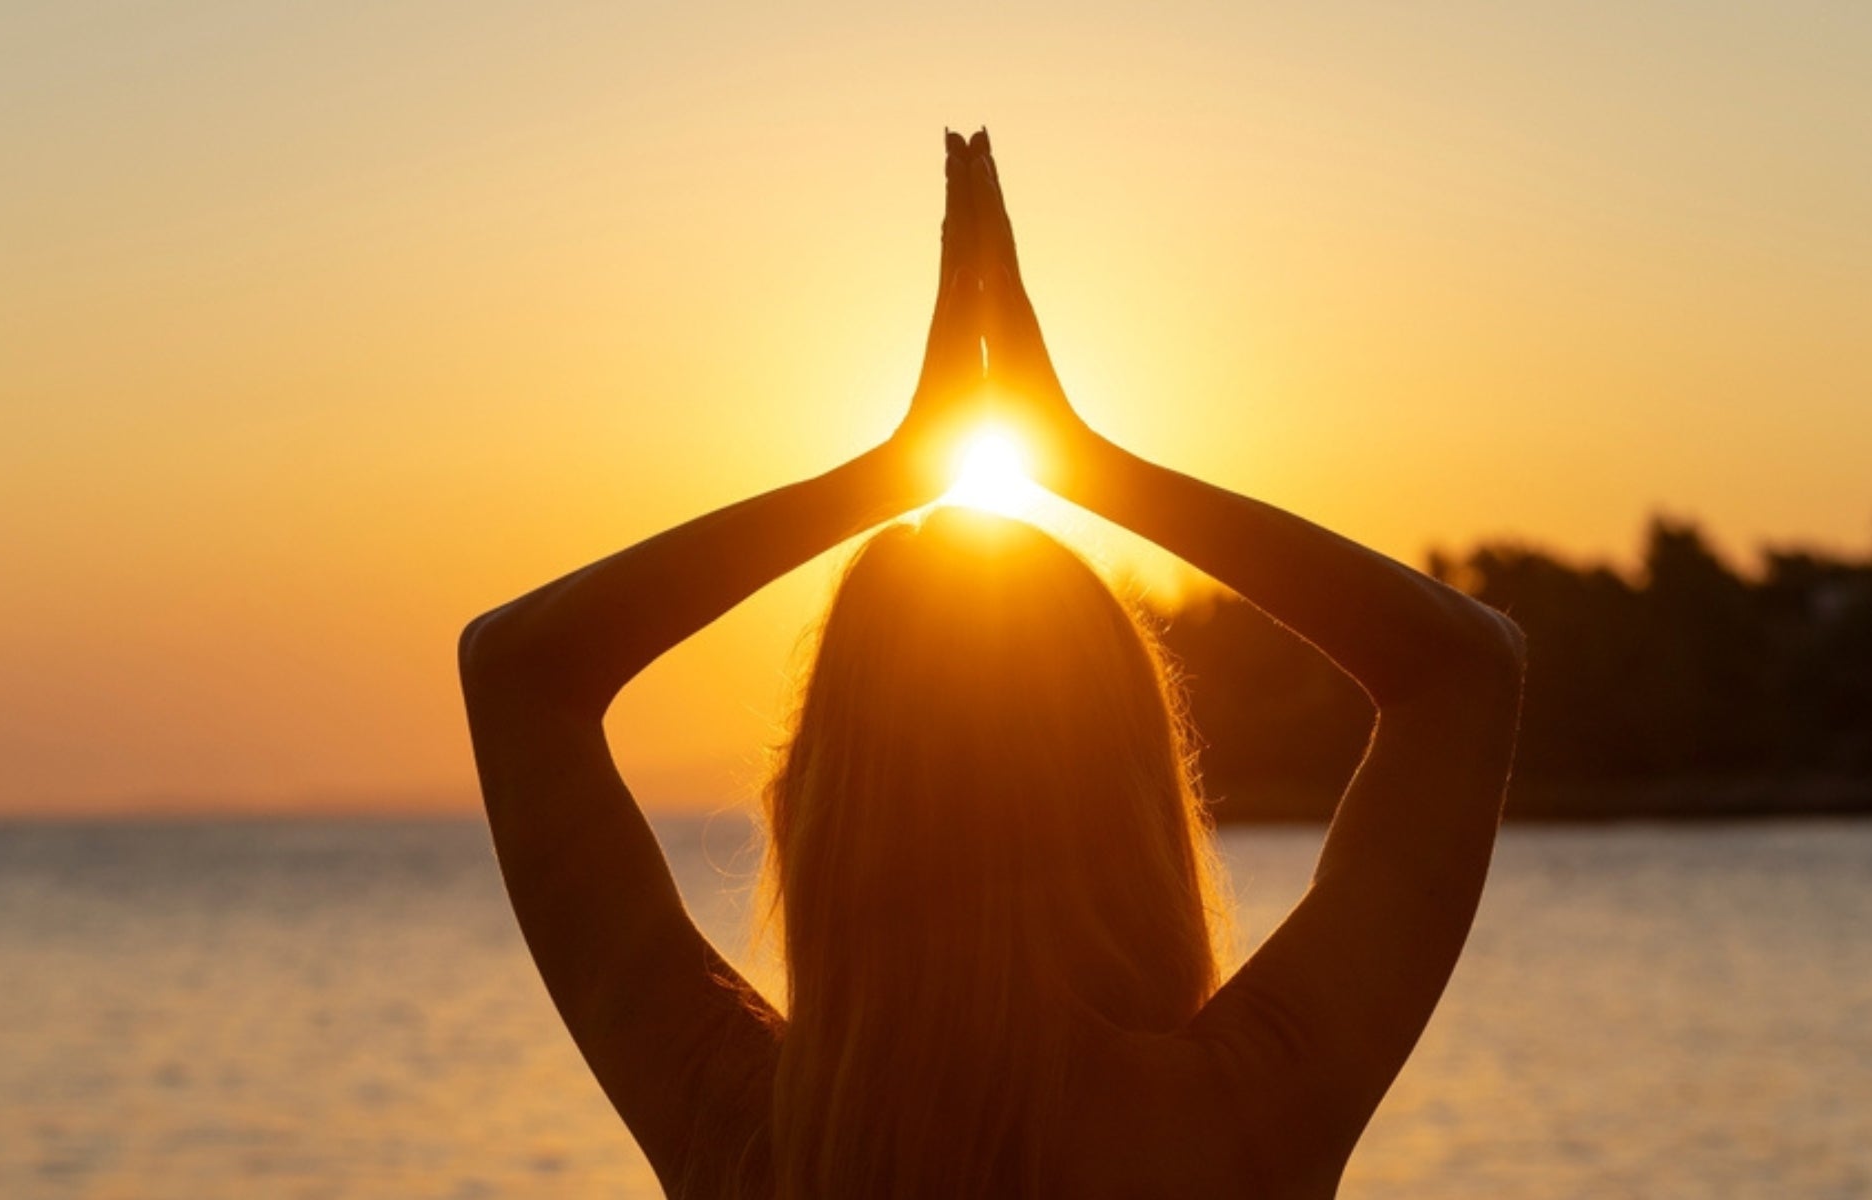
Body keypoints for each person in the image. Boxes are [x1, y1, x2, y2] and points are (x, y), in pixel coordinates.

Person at [458, 129, 1525, 1199]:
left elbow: (518, 673)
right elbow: (1460, 669)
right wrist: (1083, 460)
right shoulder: (1244, 1112)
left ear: (815, 810)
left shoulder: (744, 1130)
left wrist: (884, 474)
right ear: (1137, 802)